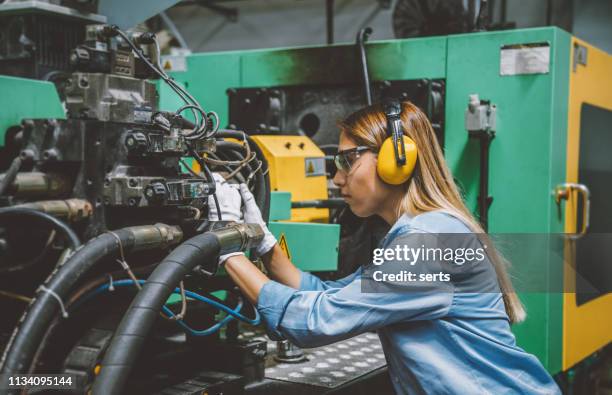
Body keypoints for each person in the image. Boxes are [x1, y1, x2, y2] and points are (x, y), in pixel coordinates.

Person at [209, 101, 561, 394]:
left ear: (398, 161)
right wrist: (264, 242)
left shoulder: (428, 243)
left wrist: (226, 243)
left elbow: (314, 321)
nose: (337, 178)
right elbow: (330, 296)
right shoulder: (423, 231)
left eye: (348, 160)